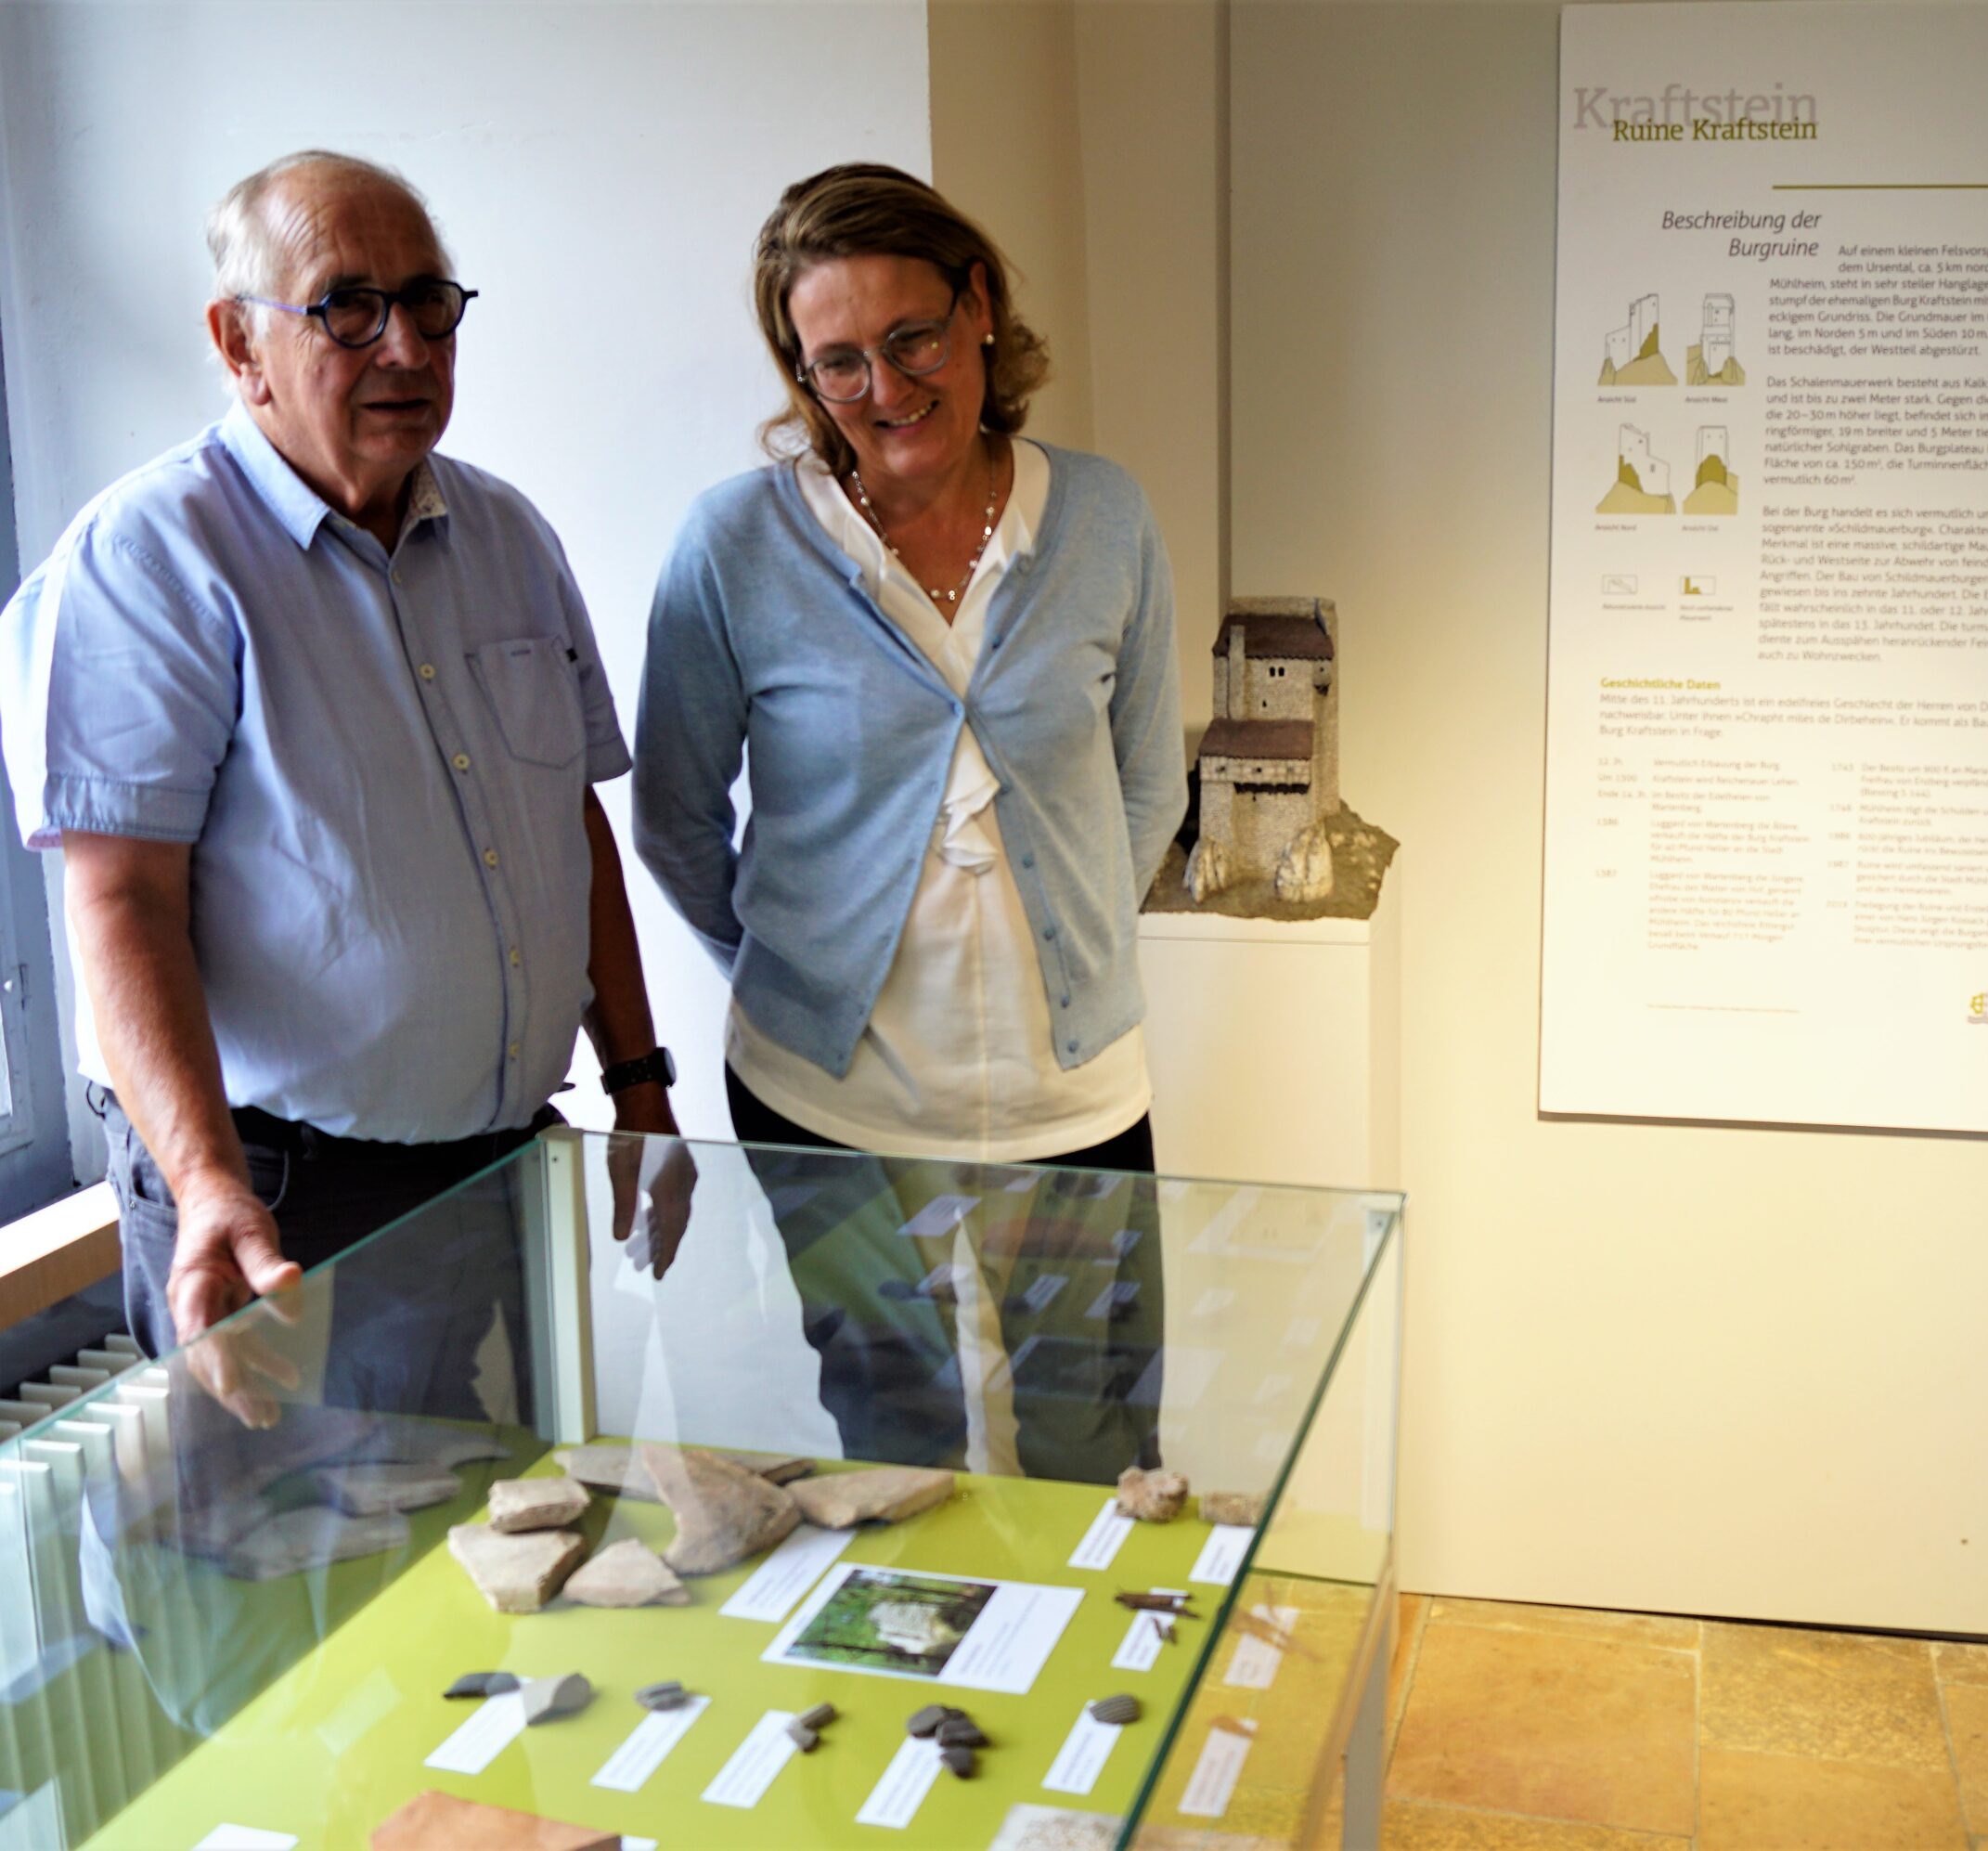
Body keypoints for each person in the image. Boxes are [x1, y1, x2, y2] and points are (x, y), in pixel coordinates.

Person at [0, 149, 688, 1412]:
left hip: (505, 1164)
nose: (406, 348)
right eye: (348, 307)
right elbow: (119, 903)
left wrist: (639, 1076)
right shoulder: (148, 560)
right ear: (239, 342)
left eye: (428, 302)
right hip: (281, 1201)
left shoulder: (508, 535)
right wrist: (209, 1186)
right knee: (313, 1539)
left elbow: (567, 825)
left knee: (525, 1514)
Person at [633, 162, 1187, 1175]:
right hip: (821, 1105)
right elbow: (674, 820)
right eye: (839, 364)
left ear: (978, 306)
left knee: (1101, 1299)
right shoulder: (734, 546)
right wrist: (793, 979)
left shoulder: (1107, 517)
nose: (886, 391)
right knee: (854, 1302)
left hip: (1076, 1099)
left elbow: (1150, 786)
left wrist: (1087, 934)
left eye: (912, 339)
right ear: (802, 374)